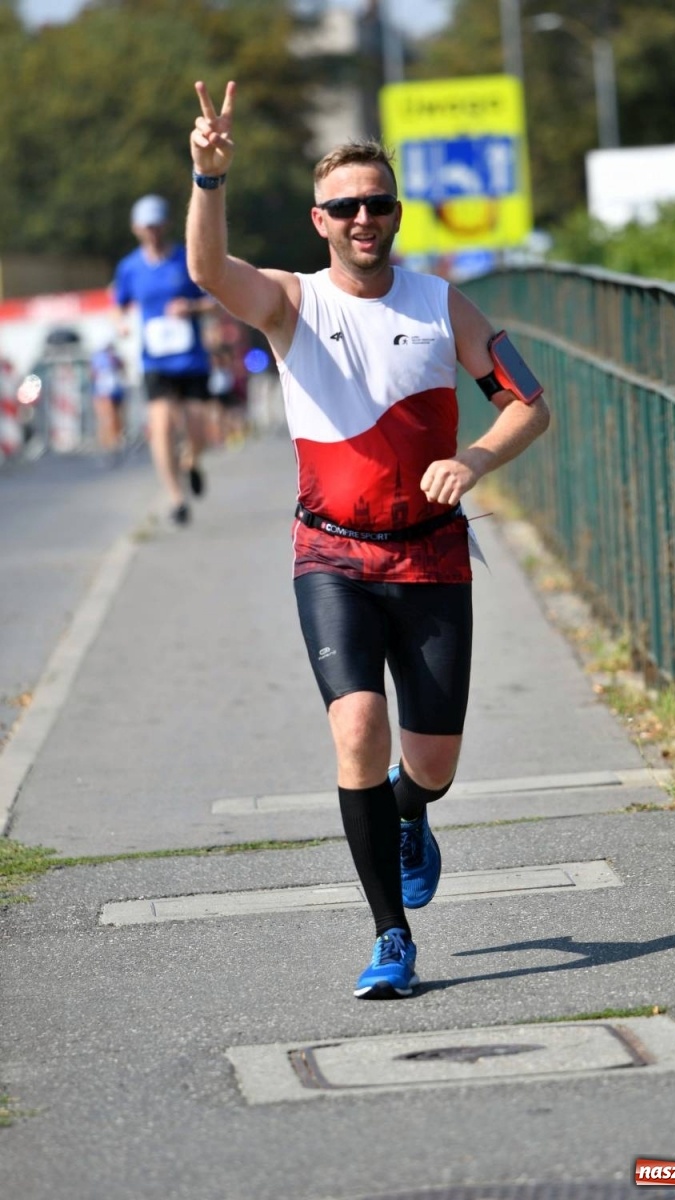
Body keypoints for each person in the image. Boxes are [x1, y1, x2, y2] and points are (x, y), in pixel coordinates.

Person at [186, 80, 551, 999]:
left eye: (377, 203)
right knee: (356, 726)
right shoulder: (290, 303)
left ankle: (410, 812)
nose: (362, 218)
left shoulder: (441, 305)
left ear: (396, 212)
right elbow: (207, 273)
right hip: (333, 555)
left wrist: (473, 456)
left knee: (432, 765)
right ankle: (392, 936)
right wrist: (208, 176)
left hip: (430, 554)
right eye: (345, 206)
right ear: (319, 219)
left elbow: (530, 405)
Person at [113, 193, 215, 525]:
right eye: (147, 226)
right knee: (160, 427)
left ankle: (191, 462)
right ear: (136, 228)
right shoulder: (129, 267)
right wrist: (121, 325)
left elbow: (213, 299)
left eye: (157, 225)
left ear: (166, 225)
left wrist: (191, 307)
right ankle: (176, 498)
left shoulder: (186, 260)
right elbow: (119, 302)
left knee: (199, 430)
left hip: (191, 359)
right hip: (155, 362)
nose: (153, 231)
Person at [89, 340, 127, 456]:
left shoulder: (114, 357)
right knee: (107, 416)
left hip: (114, 390)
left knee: (115, 416)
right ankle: (108, 442)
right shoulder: (99, 358)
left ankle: (114, 440)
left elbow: (122, 368)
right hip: (103, 391)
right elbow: (93, 374)